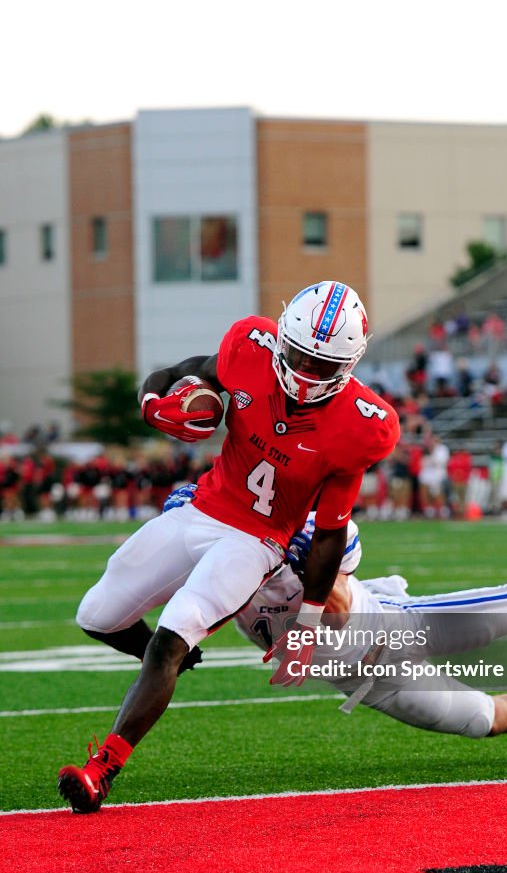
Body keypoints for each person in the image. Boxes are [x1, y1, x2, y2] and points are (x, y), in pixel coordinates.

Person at [57, 281, 400, 813]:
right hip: (204, 508)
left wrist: (308, 622)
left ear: (350, 363)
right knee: (97, 614)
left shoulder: (362, 425)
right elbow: (173, 374)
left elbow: (330, 531)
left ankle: (102, 768)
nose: (306, 374)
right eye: (299, 357)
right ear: (281, 337)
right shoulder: (250, 346)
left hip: (257, 541)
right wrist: (154, 406)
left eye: (322, 366)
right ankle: (174, 659)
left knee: (170, 636)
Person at [178, 492, 507, 740]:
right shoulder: (205, 583)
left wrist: (304, 571)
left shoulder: (287, 540)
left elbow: (340, 598)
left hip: (392, 628)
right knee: (482, 720)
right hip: (362, 679)